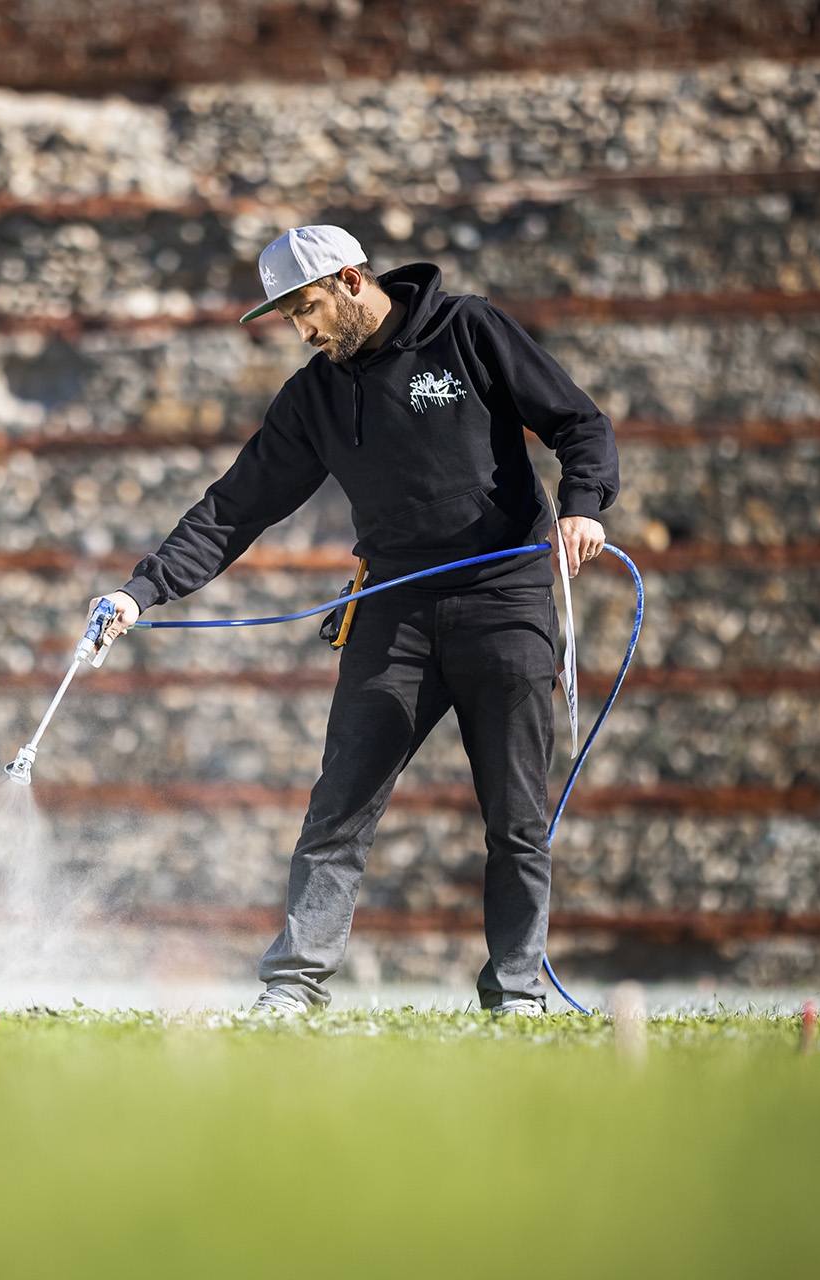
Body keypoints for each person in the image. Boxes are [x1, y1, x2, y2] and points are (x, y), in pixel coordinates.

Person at [90, 225, 619, 1015]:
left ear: (348, 279)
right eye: (287, 320)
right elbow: (234, 508)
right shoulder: (315, 396)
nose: (300, 332)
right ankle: (293, 985)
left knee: (515, 818)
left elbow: (581, 424)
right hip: (392, 614)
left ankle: (516, 995)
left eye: (304, 310)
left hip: (506, 601)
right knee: (339, 805)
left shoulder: (468, 330)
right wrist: (142, 591)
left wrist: (581, 508)